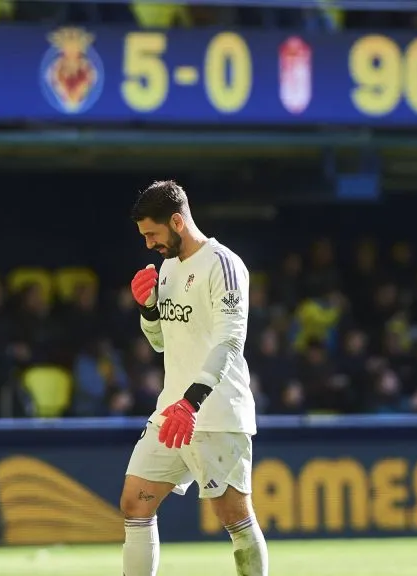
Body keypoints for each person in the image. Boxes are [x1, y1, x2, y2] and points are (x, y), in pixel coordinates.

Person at [121, 181, 267, 576]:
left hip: (215, 411)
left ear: (176, 221)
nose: (149, 243)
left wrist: (193, 400)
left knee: (235, 517)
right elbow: (160, 343)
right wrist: (149, 308)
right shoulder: (167, 268)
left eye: (152, 233)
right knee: (135, 502)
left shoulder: (224, 264)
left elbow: (231, 340)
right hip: (173, 411)